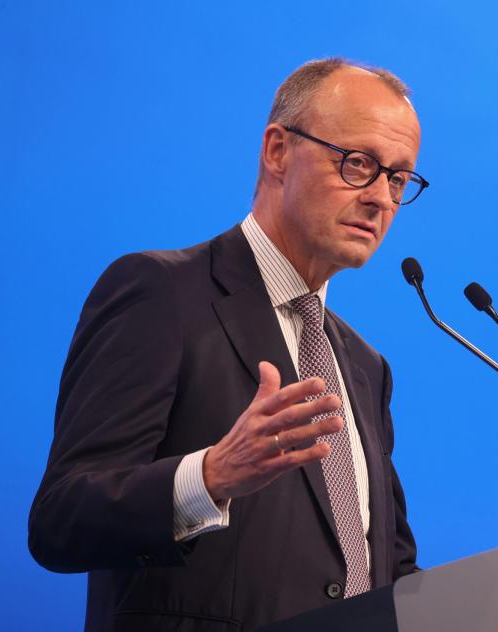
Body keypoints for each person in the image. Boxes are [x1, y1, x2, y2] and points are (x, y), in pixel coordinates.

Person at [28, 58, 427, 632]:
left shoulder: (366, 367)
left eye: (398, 178)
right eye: (359, 164)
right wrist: (209, 476)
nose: (382, 199)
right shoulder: (161, 293)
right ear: (277, 151)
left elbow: (390, 575)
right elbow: (60, 521)